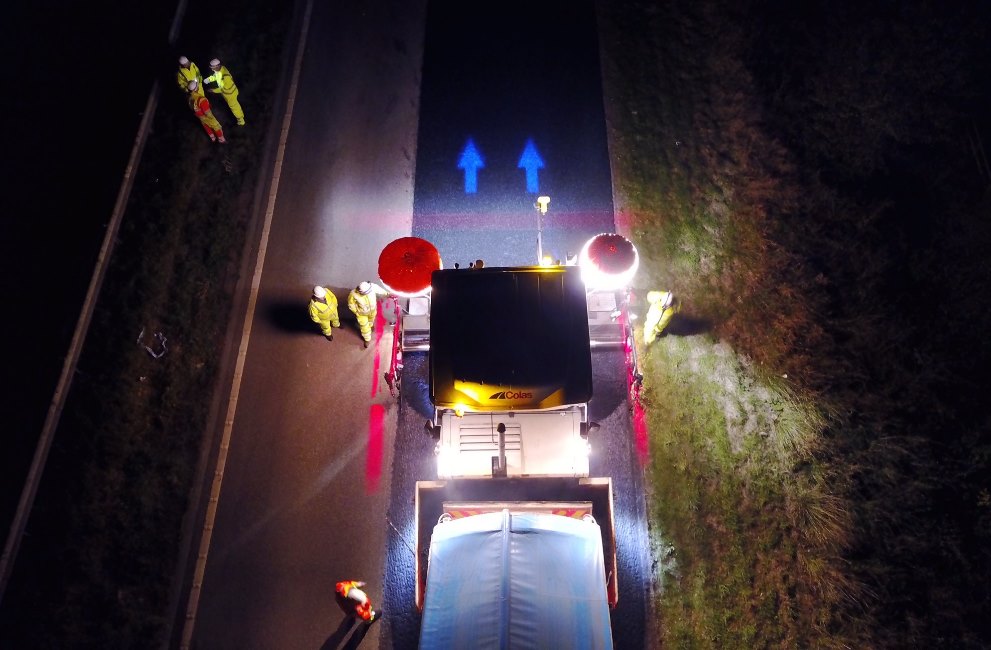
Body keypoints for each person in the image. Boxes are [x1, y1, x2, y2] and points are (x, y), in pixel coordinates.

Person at [203, 58, 246, 126]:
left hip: (230, 95)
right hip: (228, 93)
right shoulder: (221, 69)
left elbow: (222, 89)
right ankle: (240, 118)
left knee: (235, 108)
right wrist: (208, 79)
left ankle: (241, 120)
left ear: (217, 66)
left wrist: (213, 90)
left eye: (212, 68)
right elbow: (216, 76)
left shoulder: (225, 76)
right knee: (234, 106)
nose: (212, 69)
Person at [348, 281, 388, 348]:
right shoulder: (353, 294)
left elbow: (379, 289)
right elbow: (351, 304)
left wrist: (386, 293)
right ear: (361, 292)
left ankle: (371, 325)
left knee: (371, 320)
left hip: (372, 310)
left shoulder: (371, 287)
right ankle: (367, 339)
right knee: (364, 327)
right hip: (362, 314)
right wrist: (356, 312)